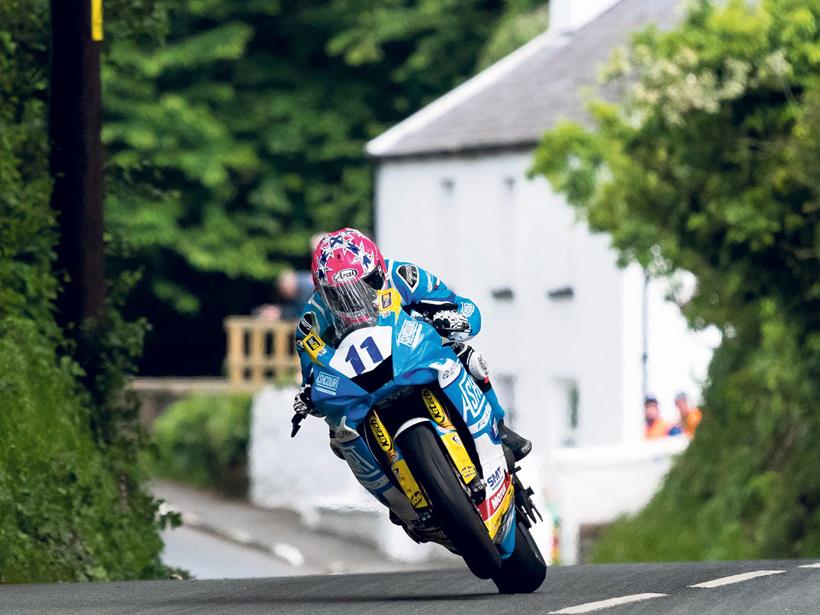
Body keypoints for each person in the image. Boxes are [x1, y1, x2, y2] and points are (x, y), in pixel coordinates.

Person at [292, 227, 531, 461]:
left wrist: (455, 319)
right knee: (338, 434)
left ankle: (499, 427)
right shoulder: (312, 320)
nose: (355, 300)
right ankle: (388, 488)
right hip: (361, 383)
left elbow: (463, 307)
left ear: (378, 270)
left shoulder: (402, 275)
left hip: (414, 353)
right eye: (339, 294)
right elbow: (312, 373)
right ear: (321, 291)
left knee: (465, 356)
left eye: (366, 284)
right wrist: (309, 394)